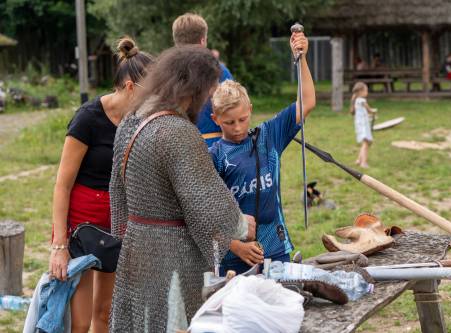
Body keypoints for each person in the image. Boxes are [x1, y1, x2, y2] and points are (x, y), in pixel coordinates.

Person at [108, 46, 255, 332]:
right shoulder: (178, 132)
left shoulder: (131, 119)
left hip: (136, 247)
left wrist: (125, 238)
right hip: (173, 256)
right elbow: (205, 202)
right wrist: (239, 224)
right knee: (172, 324)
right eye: (208, 91)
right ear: (195, 87)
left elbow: (117, 192)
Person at [49, 37, 153, 333]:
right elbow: (62, 185)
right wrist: (59, 245)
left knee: (105, 313)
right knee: (79, 322)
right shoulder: (87, 119)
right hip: (80, 227)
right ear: (131, 86)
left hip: (115, 222)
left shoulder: (139, 122)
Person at [209, 30, 315, 275]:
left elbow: (307, 102)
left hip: (276, 247)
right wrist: (235, 246)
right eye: (229, 122)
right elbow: (205, 215)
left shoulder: (268, 136)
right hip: (234, 260)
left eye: (243, 119)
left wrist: (302, 59)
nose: (237, 128)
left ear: (251, 110)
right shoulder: (213, 156)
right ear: (215, 119)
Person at [172, 13, 233, 147]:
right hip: (216, 147)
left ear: (176, 43)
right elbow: (233, 110)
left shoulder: (166, 74)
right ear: (202, 41)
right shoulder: (219, 71)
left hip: (178, 147)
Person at [350, 82, 377, 168]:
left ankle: (358, 160)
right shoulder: (362, 100)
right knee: (366, 143)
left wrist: (369, 116)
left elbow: (362, 113)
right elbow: (369, 110)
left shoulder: (356, 101)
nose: (367, 92)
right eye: (366, 90)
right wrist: (373, 111)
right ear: (361, 91)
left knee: (366, 143)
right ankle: (363, 163)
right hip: (363, 126)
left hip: (361, 125)